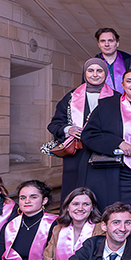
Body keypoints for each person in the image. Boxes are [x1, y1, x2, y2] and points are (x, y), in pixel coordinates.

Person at [80, 68, 131, 210]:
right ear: (123, 85)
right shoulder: (107, 106)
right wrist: (118, 143)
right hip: (114, 173)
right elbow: (88, 135)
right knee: (114, 214)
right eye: (129, 81)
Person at [48, 58, 117, 197]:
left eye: (99, 70)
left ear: (106, 74)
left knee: (101, 193)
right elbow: (54, 124)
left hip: (103, 154)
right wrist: (68, 129)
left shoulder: (117, 98)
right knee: (74, 192)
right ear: (85, 73)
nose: (95, 74)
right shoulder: (71, 97)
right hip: (77, 154)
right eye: (90, 70)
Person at [23, 187, 103, 260]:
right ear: (67, 207)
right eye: (75, 204)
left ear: (92, 208)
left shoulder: (100, 230)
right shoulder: (58, 229)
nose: (80, 208)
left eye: (85, 204)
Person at [95, 27, 131, 93]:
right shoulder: (93, 64)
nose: (106, 44)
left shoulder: (130, 61)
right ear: (98, 44)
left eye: (110, 41)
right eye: (103, 41)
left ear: (117, 43)